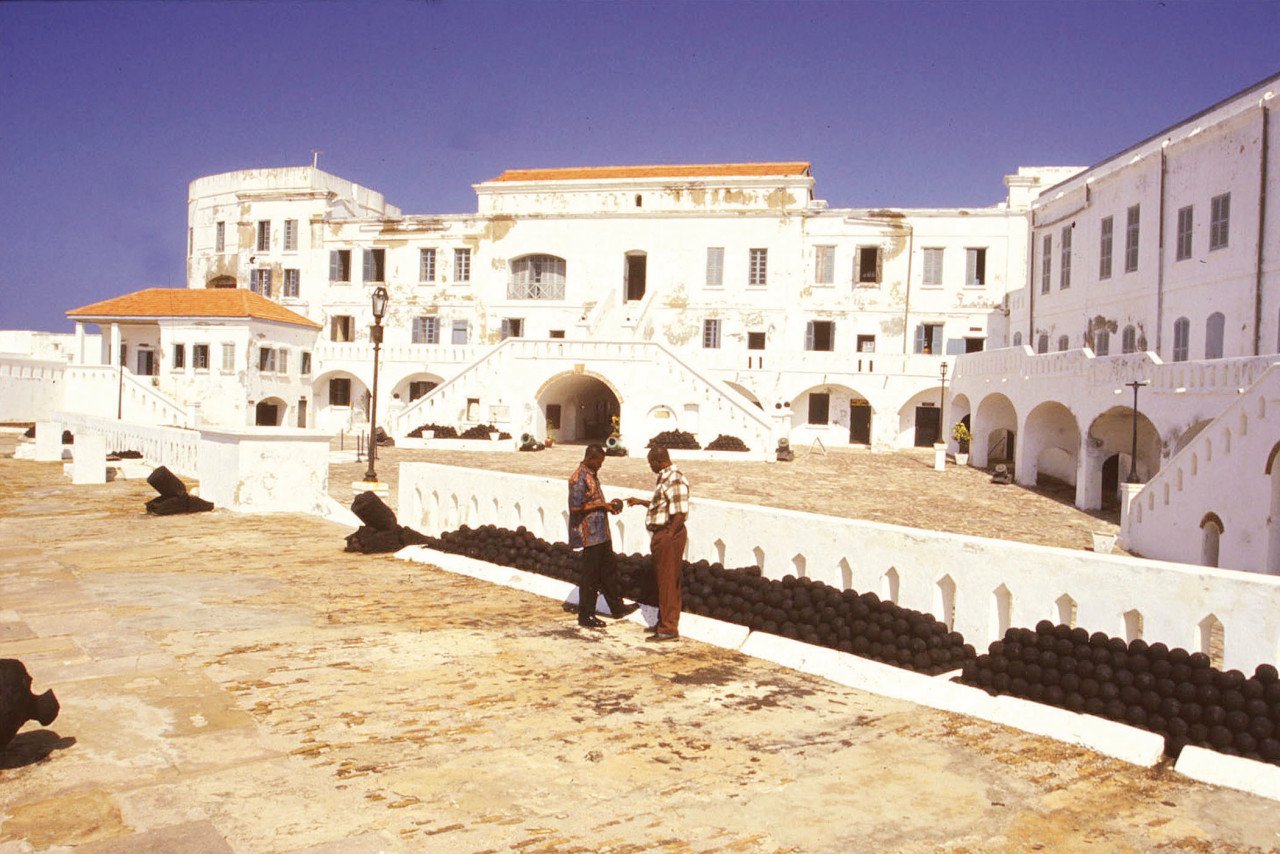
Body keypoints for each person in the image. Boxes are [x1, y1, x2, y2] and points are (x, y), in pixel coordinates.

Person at [567, 444, 639, 629]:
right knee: (590, 577)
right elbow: (575, 508)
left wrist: (607, 506)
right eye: (599, 462)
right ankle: (586, 616)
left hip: (601, 533)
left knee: (609, 571)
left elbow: (593, 501)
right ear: (590, 458)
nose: (600, 465)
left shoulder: (591, 475)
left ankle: (617, 608)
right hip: (589, 535)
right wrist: (601, 506)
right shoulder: (578, 478)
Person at [626, 446, 690, 642]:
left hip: (669, 534)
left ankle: (669, 628)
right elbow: (662, 506)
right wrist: (641, 502)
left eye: (651, 463)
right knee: (665, 580)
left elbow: (680, 512)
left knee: (668, 582)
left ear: (658, 461)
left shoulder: (675, 479)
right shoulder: (665, 478)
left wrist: (669, 535)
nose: (650, 467)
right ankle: (664, 621)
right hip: (663, 533)